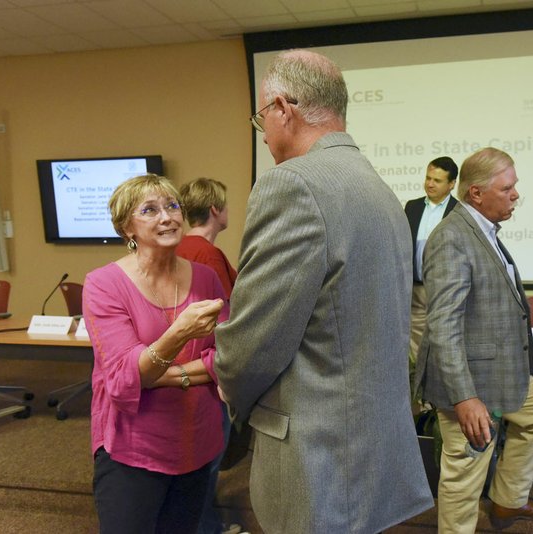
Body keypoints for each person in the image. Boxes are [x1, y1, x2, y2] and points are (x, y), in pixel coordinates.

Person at [214, 49, 432, 534]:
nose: (264, 134)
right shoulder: (378, 187)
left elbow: (252, 345)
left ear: (283, 109)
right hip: (369, 446)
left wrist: (229, 391)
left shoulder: (292, 185)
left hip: (319, 458)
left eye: (260, 119)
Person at [414, 147, 533, 533]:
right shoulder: (451, 238)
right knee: (464, 473)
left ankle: (507, 502)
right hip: (470, 382)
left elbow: (490, 302)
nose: (515, 196)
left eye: (515, 188)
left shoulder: (483, 231)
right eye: (507, 188)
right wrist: (465, 397)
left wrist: (518, 340)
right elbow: (443, 324)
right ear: (476, 193)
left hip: (499, 367)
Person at [83, 174, 228, 533]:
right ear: (127, 228)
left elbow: (225, 359)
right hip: (133, 449)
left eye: (172, 206)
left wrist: (159, 374)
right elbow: (122, 380)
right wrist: (180, 334)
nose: (167, 217)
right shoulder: (103, 284)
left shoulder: (206, 278)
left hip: (197, 441)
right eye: (150, 210)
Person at [176, 177, 242, 534]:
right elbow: (226, 319)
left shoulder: (180, 247)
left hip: (181, 365)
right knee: (208, 460)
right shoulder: (208, 255)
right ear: (215, 210)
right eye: (227, 205)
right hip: (204, 371)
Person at [404, 157, 459, 368]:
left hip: (445, 289)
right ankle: (419, 395)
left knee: (442, 344)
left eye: (437, 180)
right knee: (415, 346)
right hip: (416, 289)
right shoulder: (413, 207)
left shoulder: (459, 210)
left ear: (451, 184)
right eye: (428, 178)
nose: (430, 183)